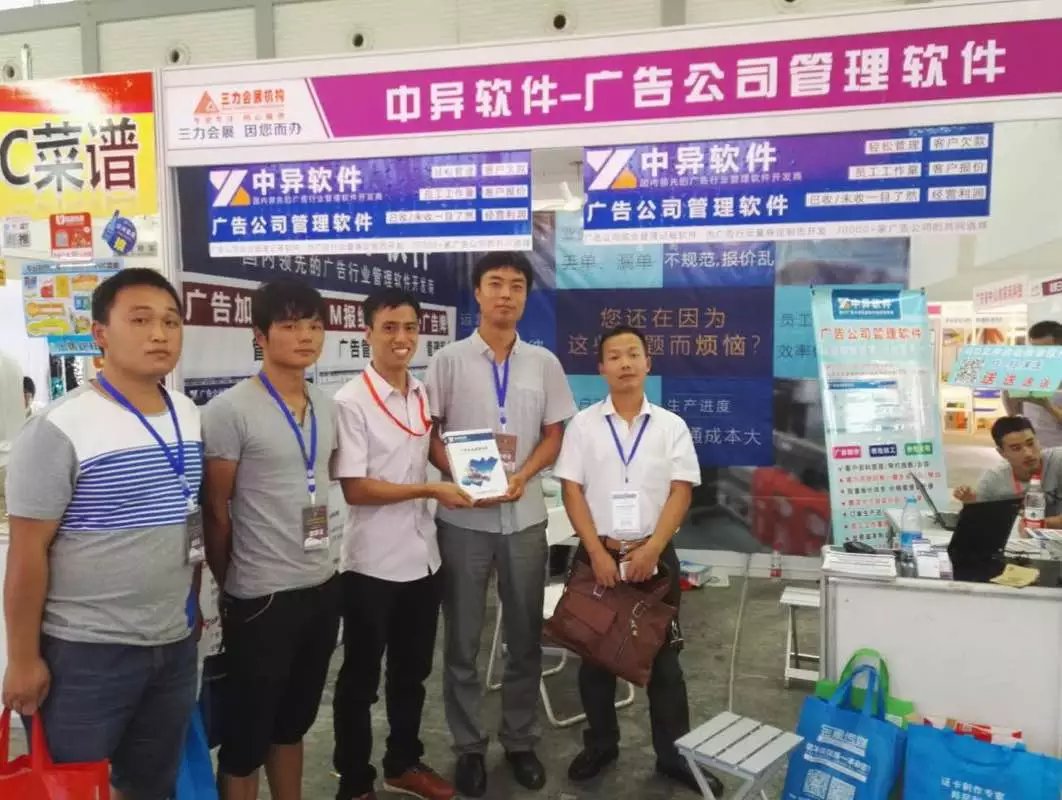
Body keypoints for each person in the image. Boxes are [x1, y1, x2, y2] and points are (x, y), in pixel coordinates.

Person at [3, 268, 201, 800]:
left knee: (152, 786)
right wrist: (22, 658)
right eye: (140, 320)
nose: (159, 334)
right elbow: (26, 553)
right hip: (85, 652)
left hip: (173, 643)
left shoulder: (186, 414)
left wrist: (192, 612)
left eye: (171, 322)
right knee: (70, 788)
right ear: (100, 334)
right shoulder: (59, 427)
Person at [426, 251, 576, 797]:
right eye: (495, 283)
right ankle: (468, 746)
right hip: (463, 519)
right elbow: (429, 434)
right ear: (478, 292)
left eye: (516, 285)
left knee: (524, 637)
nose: (506, 294)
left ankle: (520, 740)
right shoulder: (447, 361)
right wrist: (458, 477)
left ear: (526, 296)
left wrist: (524, 474)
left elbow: (555, 434)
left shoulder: (543, 363)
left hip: (525, 516)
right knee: (463, 640)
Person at [552, 325, 723, 796]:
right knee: (596, 658)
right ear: (601, 368)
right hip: (599, 555)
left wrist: (651, 549)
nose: (625, 363)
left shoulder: (671, 426)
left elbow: (681, 491)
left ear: (648, 363)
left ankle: (673, 756)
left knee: (665, 663)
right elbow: (571, 490)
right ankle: (601, 745)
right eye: (614, 356)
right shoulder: (583, 426)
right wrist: (595, 552)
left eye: (633, 354)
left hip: (655, 557)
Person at [202, 278, 340, 800]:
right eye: (290, 325)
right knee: (246, 737)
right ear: (260, 335)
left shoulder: (326, 405)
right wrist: (234, 583)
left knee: (293, 725)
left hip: (322, 586)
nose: (305, 336)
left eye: (315, 326)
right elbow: (217, 511)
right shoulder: (229, 410)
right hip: (262, 597)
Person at [332, 288, 472, 800]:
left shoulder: (419, 392)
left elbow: (427, 446)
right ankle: (354, 781)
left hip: (422, 559)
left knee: (412, 674)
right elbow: (356, 488)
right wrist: (432, 490)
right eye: (389, 327)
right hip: (372, 564)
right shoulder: (350, 401)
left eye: (410, 327)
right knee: (360, 680)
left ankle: (403, 762)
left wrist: (473, 473)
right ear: (366, 333)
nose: (401, 337)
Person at [954, 416, 1062, 525]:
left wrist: (1039, 524)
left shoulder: (1058, 460)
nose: (1028, 453)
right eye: (1016, 448)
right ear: (1002, 453)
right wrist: (971, 503)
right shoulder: (994, 479)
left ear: (1038, 441)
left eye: (1030, 443)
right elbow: (976, 521)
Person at [1002, 320, 1062, 447]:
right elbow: (1016, 416)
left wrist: (1047, 405)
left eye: (1046, 350)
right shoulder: (1029, 372)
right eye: (1035, 349)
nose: (1039, 355)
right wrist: (1008, 395)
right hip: (1033, 449)